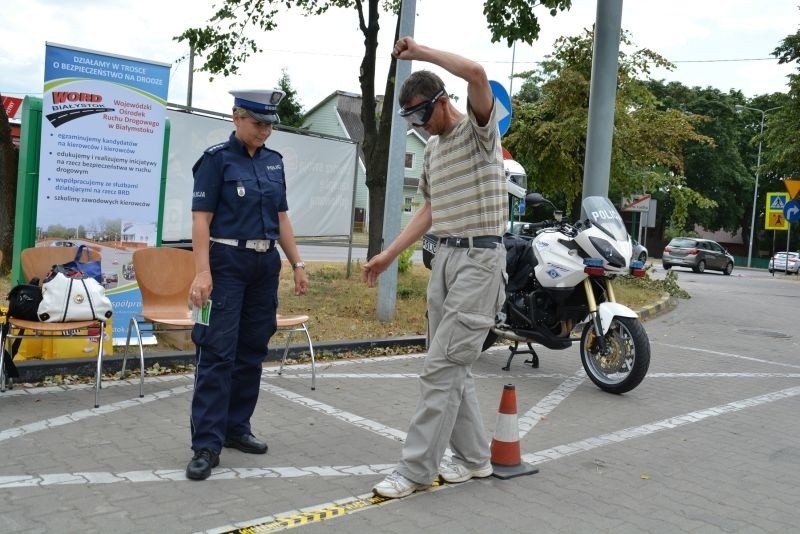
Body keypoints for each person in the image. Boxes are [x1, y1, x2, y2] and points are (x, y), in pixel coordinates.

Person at [363, 37, 508, 498]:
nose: (418, 125)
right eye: (410, 119)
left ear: (442, 101)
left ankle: (414, 469)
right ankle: (474, 459)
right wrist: (390, 253)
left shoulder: (479, 134)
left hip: (480, 261)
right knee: (449, 364)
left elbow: (478, 74)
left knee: (443, 367)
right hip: (444, 257)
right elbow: (429, 209)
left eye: (421, 114)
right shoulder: (432, 150)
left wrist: (420, 52)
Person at [186, 88, 309, 481]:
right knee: (217, 351)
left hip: (264, 264)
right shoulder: (215, 161)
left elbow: (282, 218)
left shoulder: (274, 163)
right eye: (258, 123)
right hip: (226, 264)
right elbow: (201, 221)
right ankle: (206, 442)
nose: (265, 131)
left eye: (270, 125)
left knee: (253, 349)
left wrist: (297, 263)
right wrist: (202, 272)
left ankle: (237, 427)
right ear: (236, 117)